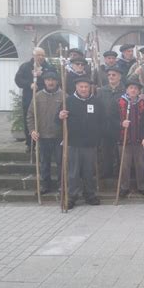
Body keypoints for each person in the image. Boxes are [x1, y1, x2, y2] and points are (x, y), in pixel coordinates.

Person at [58, 77, 104, 209]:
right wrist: (60, 116)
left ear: (90, 88)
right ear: (76, 87)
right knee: (73, 172)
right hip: (73, 143)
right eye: (81, 87)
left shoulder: (96, 102)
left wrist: (98, 138)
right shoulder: (68, 101)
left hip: (90, 144)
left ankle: (89, 194)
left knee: (89, 171)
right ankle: (72, 196)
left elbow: (101, 121)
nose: (84, 89)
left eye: (86, 87)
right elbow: (58, 121)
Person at [26, 71, 62, 194]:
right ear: (44, 82)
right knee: (44, 162)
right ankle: (45, 185)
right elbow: (30, 115)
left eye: (53, 80)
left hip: (59, 136)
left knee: (61, 162)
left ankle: (62, 185)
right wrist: (32, 130)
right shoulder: (37, 96)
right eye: (48, 80)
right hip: (42, 135)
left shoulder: (64, 96)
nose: (50, 82)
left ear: (57, 81)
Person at [14, 47, 56, 151]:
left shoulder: (49, 67)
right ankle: (30, 143)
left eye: (43, 55)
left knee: (44, 119)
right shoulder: (25, 66)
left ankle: (45, 142)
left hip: (45, 98)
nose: (41, 57)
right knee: (29, 119)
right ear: (33, 55)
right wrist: (29, 84)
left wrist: (42, 76)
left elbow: (54, 80)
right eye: (38, 55)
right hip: (29, 97)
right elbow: (18, 80)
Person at [118, 81, 144, 197]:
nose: (133, 90)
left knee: (140, 164)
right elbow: (111, 119)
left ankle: (142, 186)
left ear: (139, 91)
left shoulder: (142, 103)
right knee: (125, 165)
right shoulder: (119, 102)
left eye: (135, 88)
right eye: (131, 88)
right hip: (124, 139)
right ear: (127, 90)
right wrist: (121, 123)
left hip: (140, 140)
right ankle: (124, 187)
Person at [96, 66, 125, 179]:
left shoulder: (124, 90)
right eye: (109, 75)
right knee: (105, 151)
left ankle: (119, 173)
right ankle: (106, 171)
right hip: (105, 126)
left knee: (119, 152)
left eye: (114, 75)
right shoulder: (102, 91)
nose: (111, 77)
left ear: (119, 76)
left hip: (119, 126)